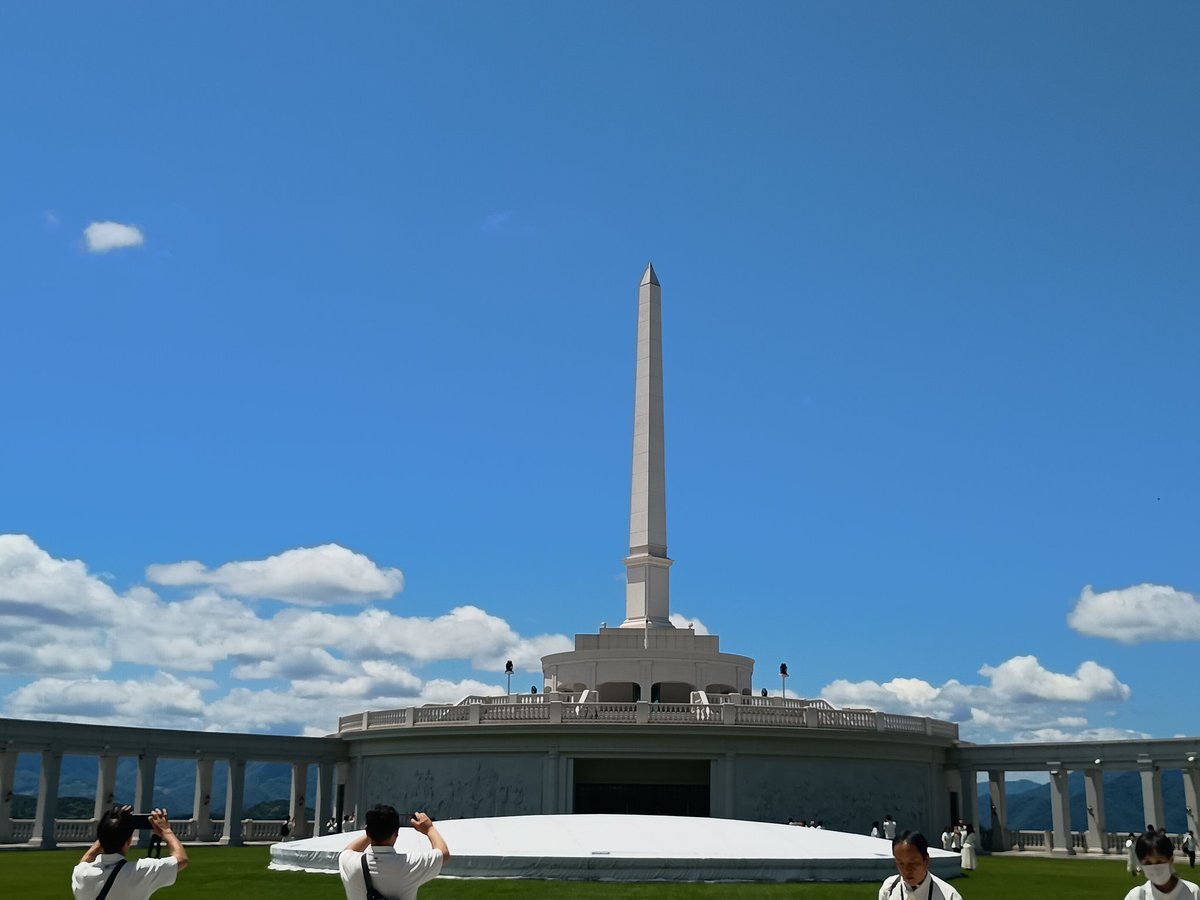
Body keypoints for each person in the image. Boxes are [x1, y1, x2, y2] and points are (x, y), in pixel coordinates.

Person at [72, 806, 188, 900]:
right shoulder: (141, 871)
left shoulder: (81, 873)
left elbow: (86, 858)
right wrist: (166, 831)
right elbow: (181, 859)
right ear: (128, 841)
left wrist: (110, 830)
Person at [338, 804, 449, 900]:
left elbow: (348, 850)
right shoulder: (409, 864)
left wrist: (373, 830)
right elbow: (443, 853)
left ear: (367, 831)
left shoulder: (348, 861)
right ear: (396, 834)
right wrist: (429, 828)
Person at [879, 831, 963, 900]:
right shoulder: (889, 889)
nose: (906, 870)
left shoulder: (949, 896)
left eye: (912, 863)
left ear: (926, 861)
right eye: (900, 863)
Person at [1124, 828, 1200, 900]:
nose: (1154, 867)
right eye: (1148, 863)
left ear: (1171, 860)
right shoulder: (1137, 896)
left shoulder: (1192, 892)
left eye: (1159, 862)